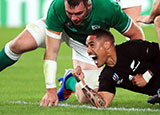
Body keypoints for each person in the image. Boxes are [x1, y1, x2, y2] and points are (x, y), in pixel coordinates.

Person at [0, 0, 144, 107]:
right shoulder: (58, 7)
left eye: (78, 13)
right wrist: (50, 90)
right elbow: (51, 52)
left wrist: (133, 66)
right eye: (70, 13)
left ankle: (69, 81)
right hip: (59, 29)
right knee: (19, 44)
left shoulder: (108, 8)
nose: (74, 18)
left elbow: (136, 34)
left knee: (86, 96)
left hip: (88, 44)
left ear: (89, 4)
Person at [71, 28, 160, 108]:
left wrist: (147, 75)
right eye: (87, 47)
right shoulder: (107, 75)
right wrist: (81, 82)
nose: (88, 51)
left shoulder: (132, 48)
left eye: (92, 45)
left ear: (106, 45)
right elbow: (102, 103)